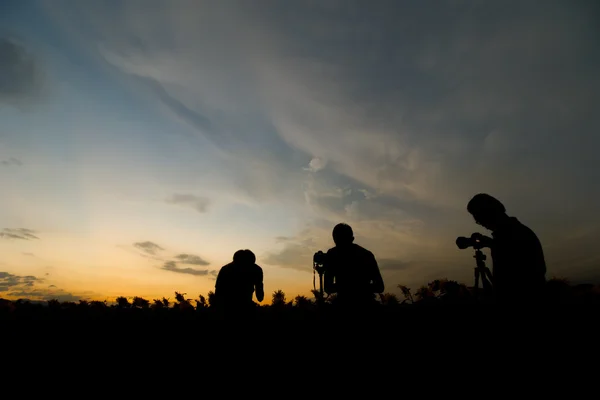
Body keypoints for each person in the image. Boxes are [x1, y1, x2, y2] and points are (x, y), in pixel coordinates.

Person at [466, 193, 546, 304]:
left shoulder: (513, 235)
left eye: (479, 219)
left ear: (488, 213)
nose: (481, 224)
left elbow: (512, 276)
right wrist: (490, 243)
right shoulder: (513, 232)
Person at [323, 223, 385, 309]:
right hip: (366, 304)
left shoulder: (333, 254)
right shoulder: (366, 255)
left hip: (347, 304)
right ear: (352, 238)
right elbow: (379, 287)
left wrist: (347, 287)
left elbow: (328, 288)